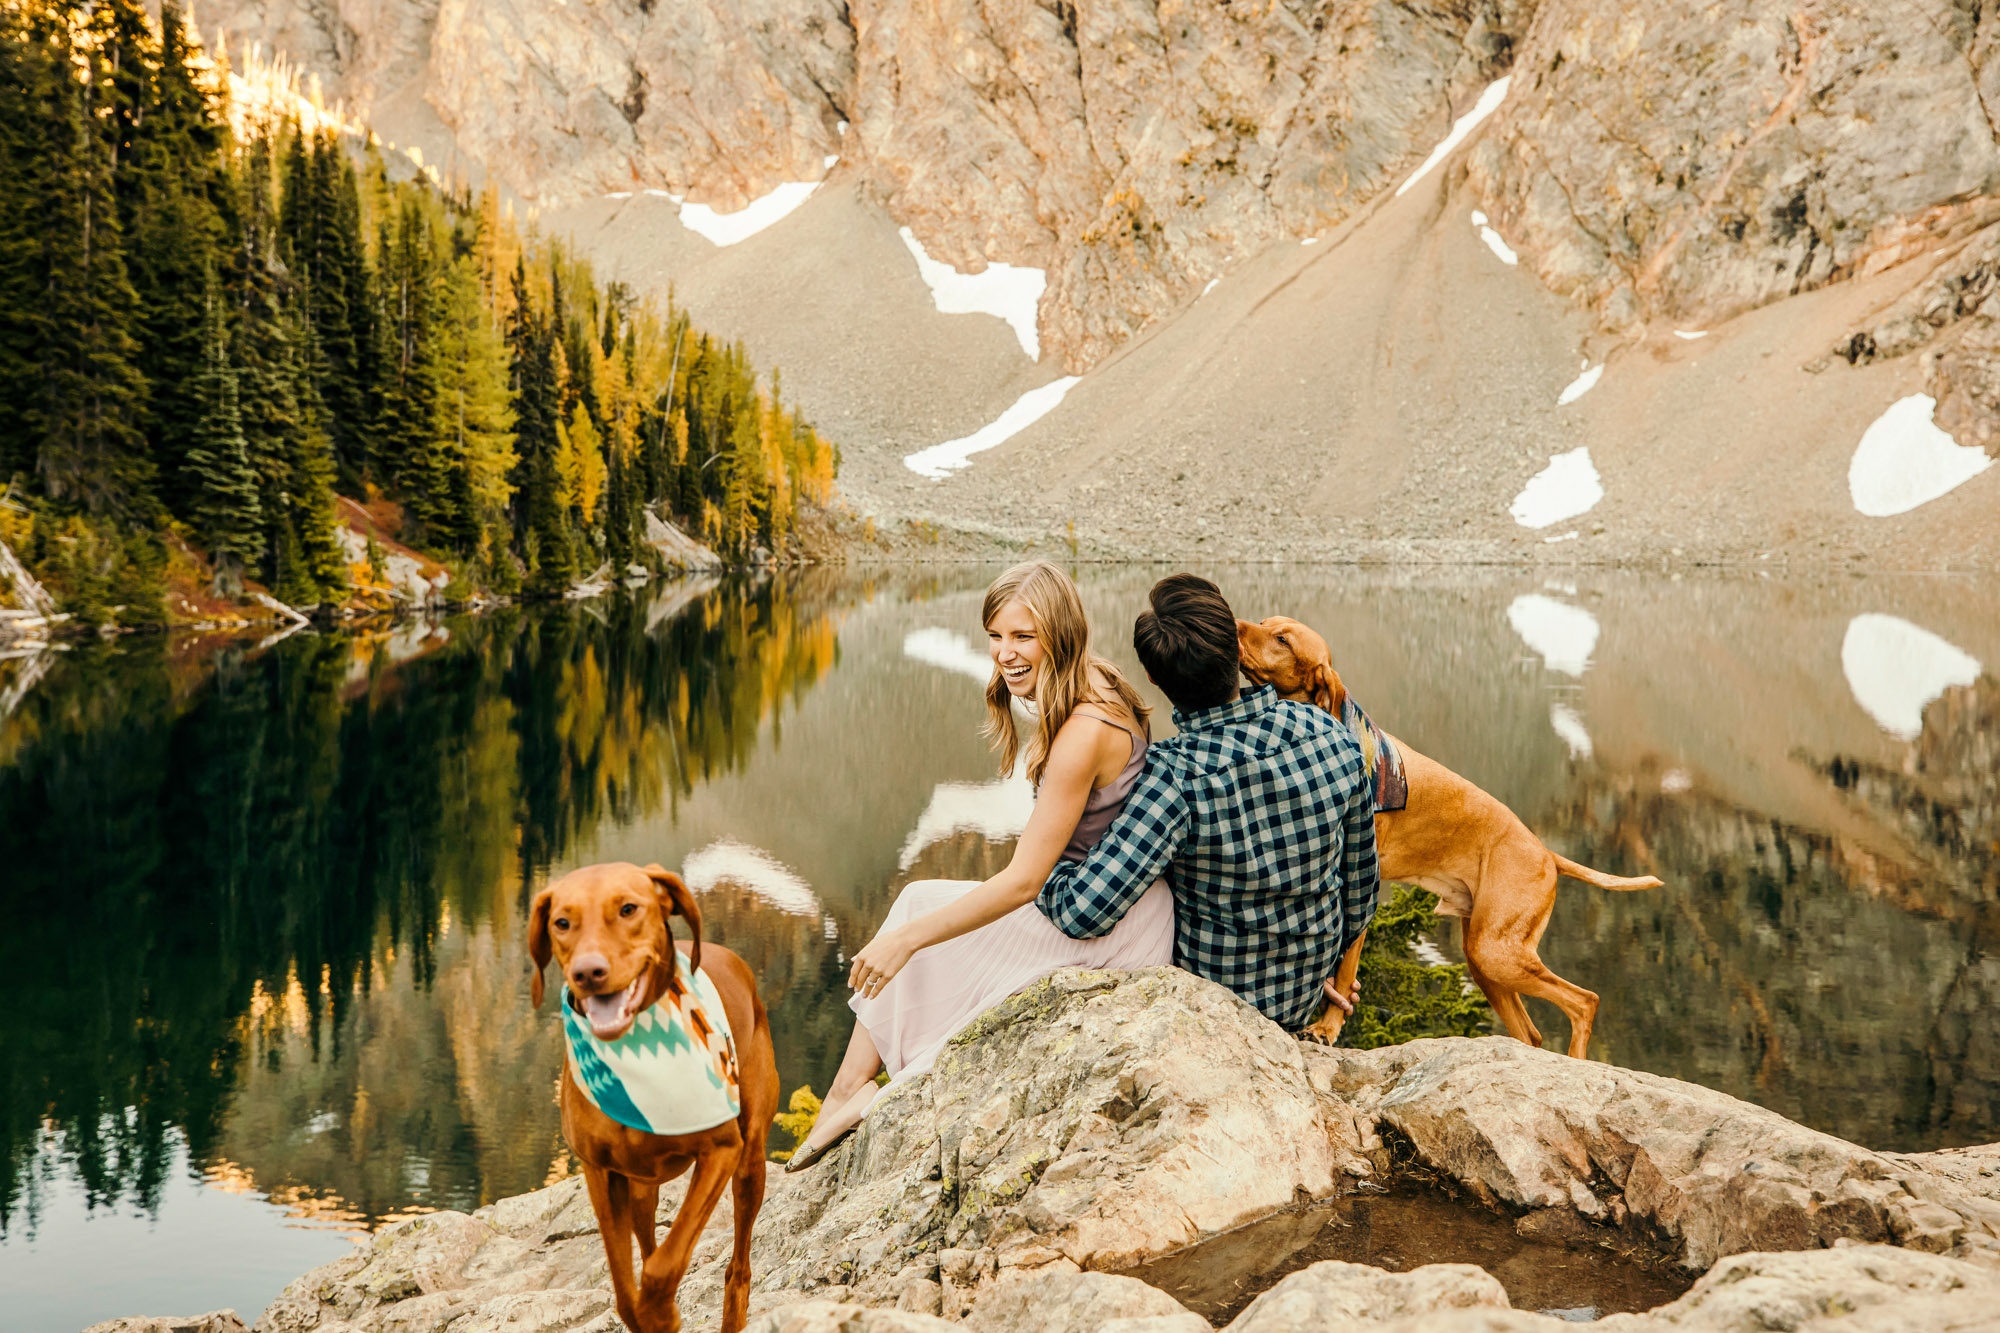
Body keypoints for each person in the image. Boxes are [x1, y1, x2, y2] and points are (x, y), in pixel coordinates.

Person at [783, 561, 1174, 1171]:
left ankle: (852, 1093)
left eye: (1023, 637)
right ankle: (846, 1093)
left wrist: (905, 944)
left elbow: (1023, 880)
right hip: (1113, 897)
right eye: (995, 636)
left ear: (1061, 634)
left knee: (917, 925)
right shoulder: (1098, 681)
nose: (1004, 654)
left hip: (1109, 924)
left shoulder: (1082, 730)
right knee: (917, 902)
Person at [1037, 574, 1380, 1034]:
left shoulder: (1173, 778)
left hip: (1214, 1013)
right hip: (1301, 997)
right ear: (1239, 652)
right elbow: (1360, 893)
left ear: (1155, 679)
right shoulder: (1332, 734)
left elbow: (1083, 912)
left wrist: (1042, 866)